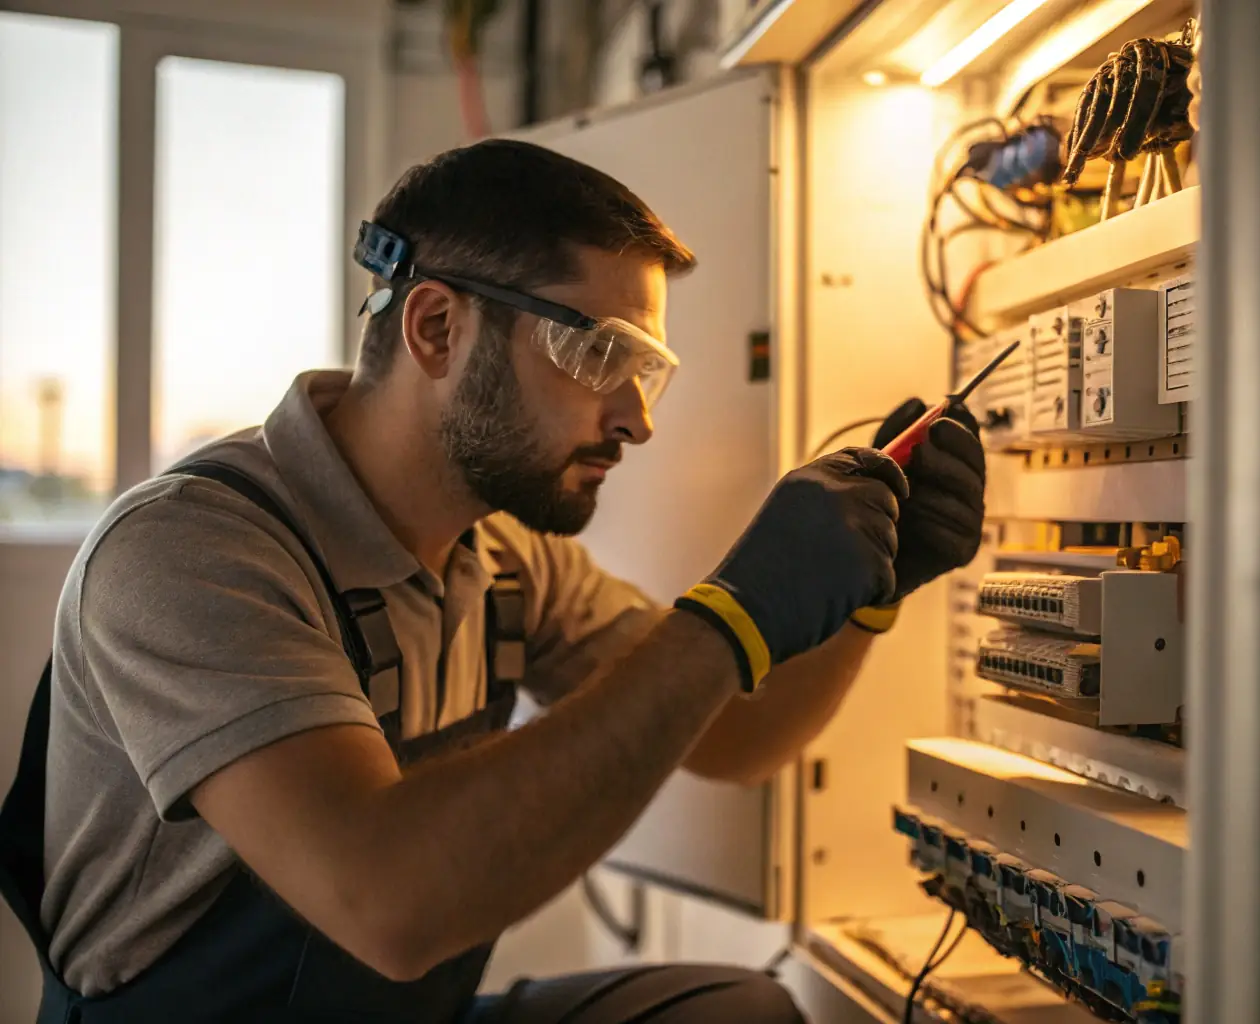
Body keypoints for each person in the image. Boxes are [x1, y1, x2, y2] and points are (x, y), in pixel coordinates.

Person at [20, 139, 986, 1023]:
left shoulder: (508, 562)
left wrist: (871, 592)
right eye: (598, 353)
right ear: (436, 327)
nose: (634, 420)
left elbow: (736, 734)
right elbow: (388, 903)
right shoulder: (193, 554)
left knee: (732, 1012)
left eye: (646, 370)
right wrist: (727, 615)